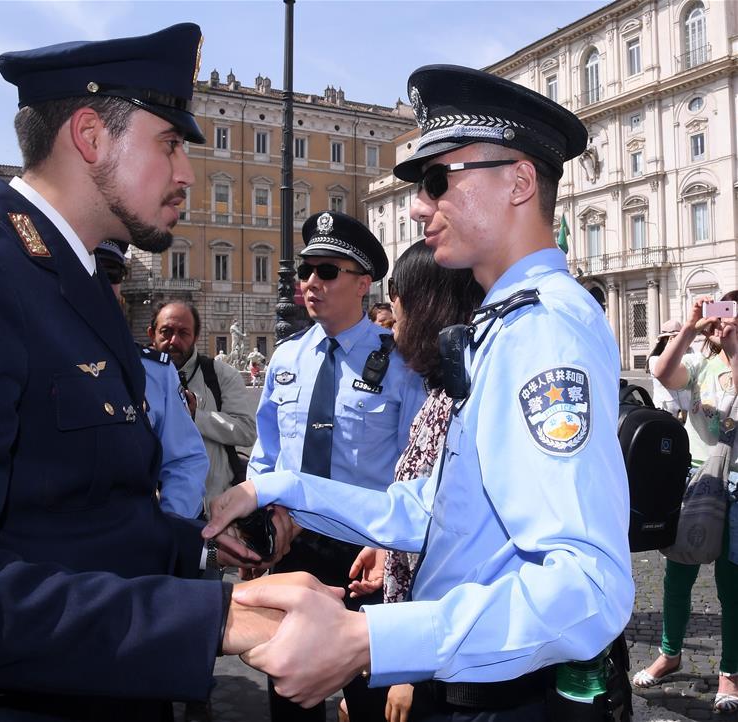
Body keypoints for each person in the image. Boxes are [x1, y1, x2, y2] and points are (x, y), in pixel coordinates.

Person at [0, 26, 299, 722]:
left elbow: (70, 517)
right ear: (90, 136)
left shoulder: (71, 285)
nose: (186, 175)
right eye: (170, 143)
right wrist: (209, 624)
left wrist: (199, 558)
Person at [206, 64, 634, 721]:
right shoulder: (505, 323)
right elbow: (420, 513)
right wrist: (274, 488)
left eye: (438, 181)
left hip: (503, 700)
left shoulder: (542, 330)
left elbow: (589, 588)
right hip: (471, 687)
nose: (417, 206)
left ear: (520, 181)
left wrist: (367, 637)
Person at [247, 210, 427, 722]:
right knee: (290, 695)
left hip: (365, 559)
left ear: (363, 283)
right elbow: (266, 453)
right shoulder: (286, 359)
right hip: (295, 547)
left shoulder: (400, 363)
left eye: (327, 271)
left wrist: (390, 553)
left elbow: (415, 468)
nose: (310, 284)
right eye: (306, 271)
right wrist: (261, 526)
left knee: (370, 702)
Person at [347, 241, 483, 722]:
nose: (394, 325)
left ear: (426, 310)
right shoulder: (444, 391)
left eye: (398, 310)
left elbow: (456, 553)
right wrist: (389, 545)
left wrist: (408, 669)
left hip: (443, 666)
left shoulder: (459, 403)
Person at [635, 293, 738, 713]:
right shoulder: (699, 363)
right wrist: (690, 328)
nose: (724, 323)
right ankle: (670, 652)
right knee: (677, 579)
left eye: (732, 316)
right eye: (721, 315)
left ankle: (730, 673)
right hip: (696, 481)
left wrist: (734, 350)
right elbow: (660, 371)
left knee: (731, 588)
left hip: (735, 485)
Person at [94, 239, 208, 518]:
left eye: (111, 275)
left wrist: (168, 532)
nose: (98, 283)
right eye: (86, 268)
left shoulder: (155, 371)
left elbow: (185, 462)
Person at [147, 301, 257, 504]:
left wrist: (198, 416)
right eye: (166, 332)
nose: (173, 341)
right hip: (150, 507)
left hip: (212, 506)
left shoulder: (221, 375)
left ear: (196, 337)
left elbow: (247, 431)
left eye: (183, 333)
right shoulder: (134, 375)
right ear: (151, 334)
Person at [646, 319, 691, 419]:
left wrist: (684, 347)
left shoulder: (688, 356)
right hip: (664, 412)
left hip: (686, 412)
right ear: (664, 340)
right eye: (673, 338)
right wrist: (670, 350)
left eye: (679, 338)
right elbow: (667, 373)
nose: (677, 342)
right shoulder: (654, 360)